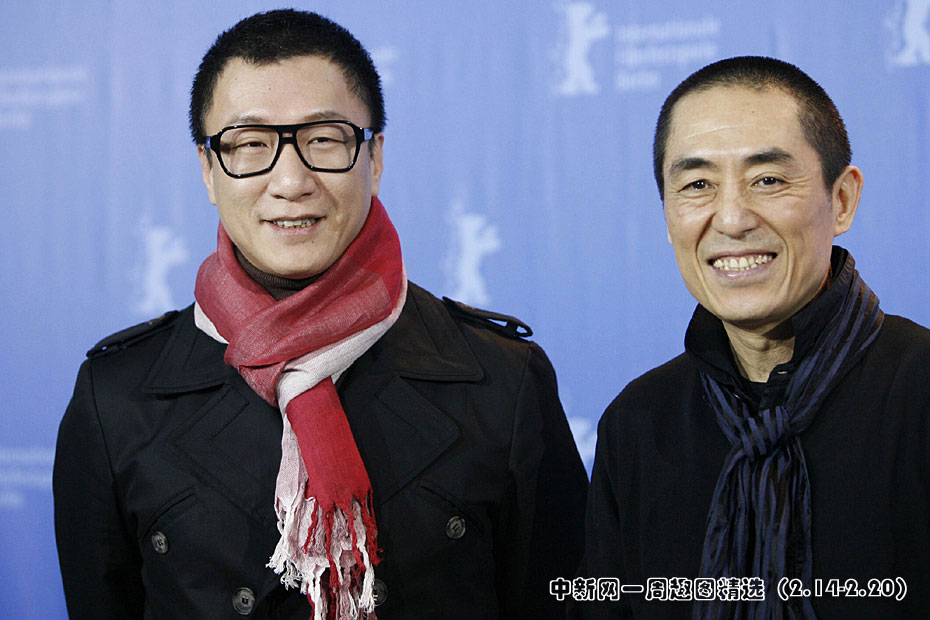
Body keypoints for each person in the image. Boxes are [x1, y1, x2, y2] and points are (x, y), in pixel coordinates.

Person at [53, 9, 587, 619]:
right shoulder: (117, 398)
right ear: (208, 170)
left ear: (374, 158)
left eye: (323, 140)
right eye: (250, 145)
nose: (290, 180)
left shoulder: (501, 380)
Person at [572, 56, 930, 619]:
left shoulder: (918, 390)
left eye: (768, 180)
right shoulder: (639, 423)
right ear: (666, 214)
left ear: (842, 200)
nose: (732, 218)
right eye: (698, 185)